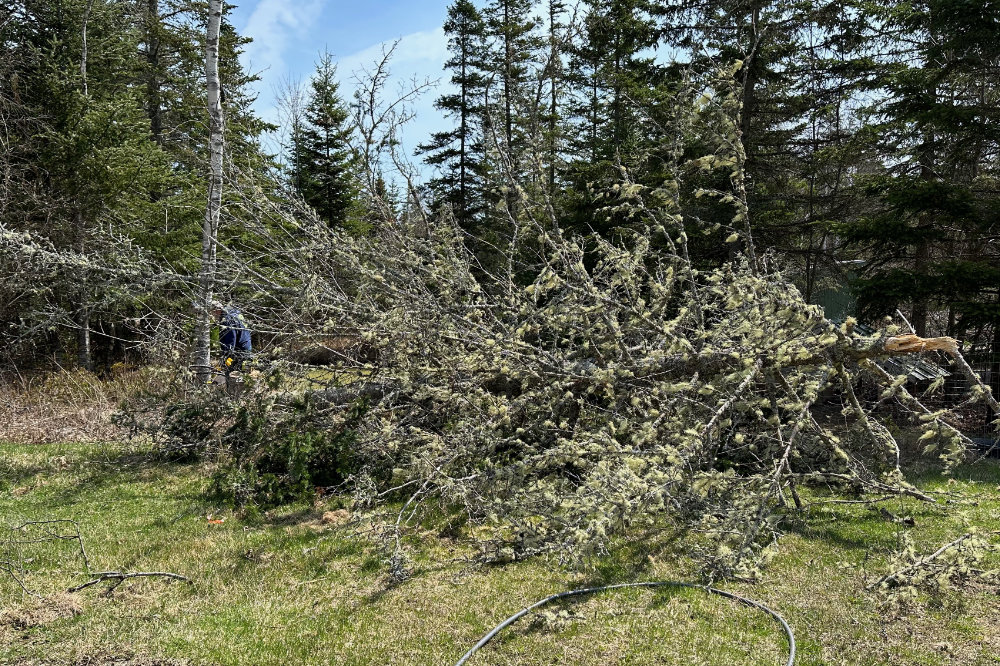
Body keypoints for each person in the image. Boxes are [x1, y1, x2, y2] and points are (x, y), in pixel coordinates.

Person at [211, 301, 252, 372]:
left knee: (233, 374)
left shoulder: (227, 321)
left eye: (212, 312)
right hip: (245, 346)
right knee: (242, 375)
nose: (212, 315)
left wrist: (227, 357)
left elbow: (231, 340)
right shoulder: (233, 313)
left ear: (217, 310)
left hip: (238, 351)